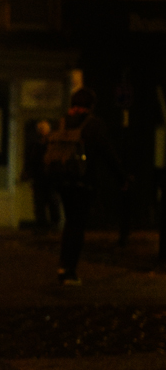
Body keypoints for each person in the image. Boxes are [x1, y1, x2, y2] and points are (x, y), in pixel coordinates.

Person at [49, 87, 127, 286]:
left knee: (69, 224)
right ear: (91, 105)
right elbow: (107, 153)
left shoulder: (64, 121)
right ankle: (70, 271)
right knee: (78, 225)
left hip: (63, 180)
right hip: (84, 181)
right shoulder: (93, 124)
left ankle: (62, 266)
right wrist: (122, 178)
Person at [22, 119, 60, 233]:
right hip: (39, 178)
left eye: (44, 129)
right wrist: (27, 172)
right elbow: (29, 160)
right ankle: (42, 226)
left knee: (52, 202)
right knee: (40, 204)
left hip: (51, 178)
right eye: (40, 130)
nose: (42, 132)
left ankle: (53, 225)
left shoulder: (52, 144)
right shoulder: (35, 145)